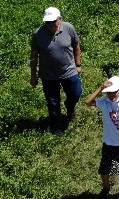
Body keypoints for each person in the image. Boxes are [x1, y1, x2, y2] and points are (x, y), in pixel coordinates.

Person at [30, 7, 83, 136]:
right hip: (48, 74)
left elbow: (76, 46)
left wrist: (78, 64)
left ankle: (70, 108)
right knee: (53, 102)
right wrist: (33, 75)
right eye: (47, 22)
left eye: (52, 21)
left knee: (76, 93)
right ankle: (56, 126)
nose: (50, 25)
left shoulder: (69, 28)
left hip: (69, 70)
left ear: (60, 19)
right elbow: (33, 55)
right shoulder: (38, 34)